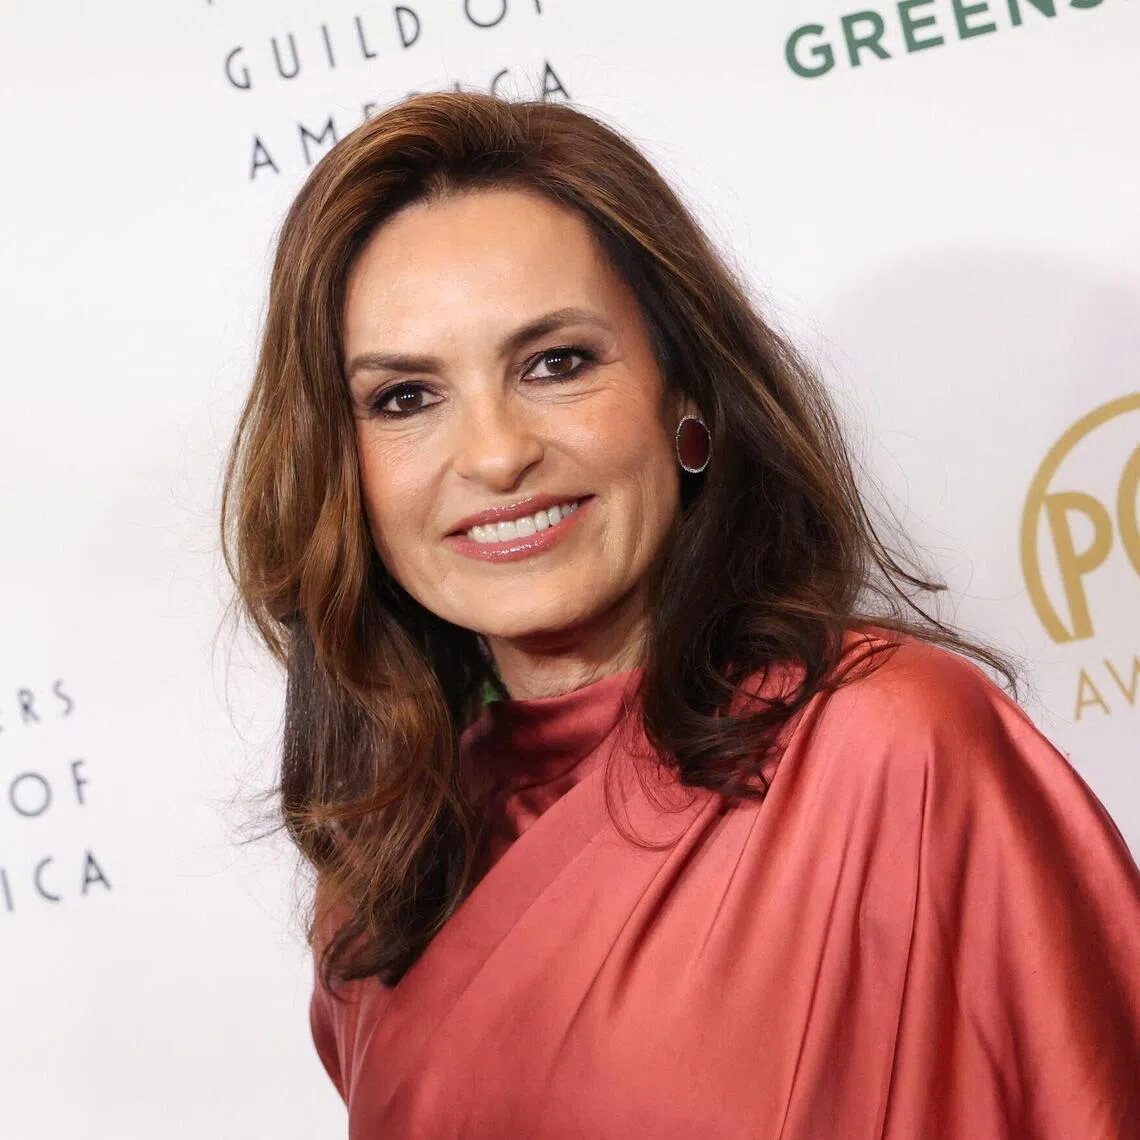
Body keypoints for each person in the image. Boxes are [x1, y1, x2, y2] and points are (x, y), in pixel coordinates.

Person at [219, 91, 1140, 1138]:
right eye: (404, 399)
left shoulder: (893, 747)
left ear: (684, 398)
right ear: (347, 476)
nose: (493, 453)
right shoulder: (385, 878)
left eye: (555, 363)